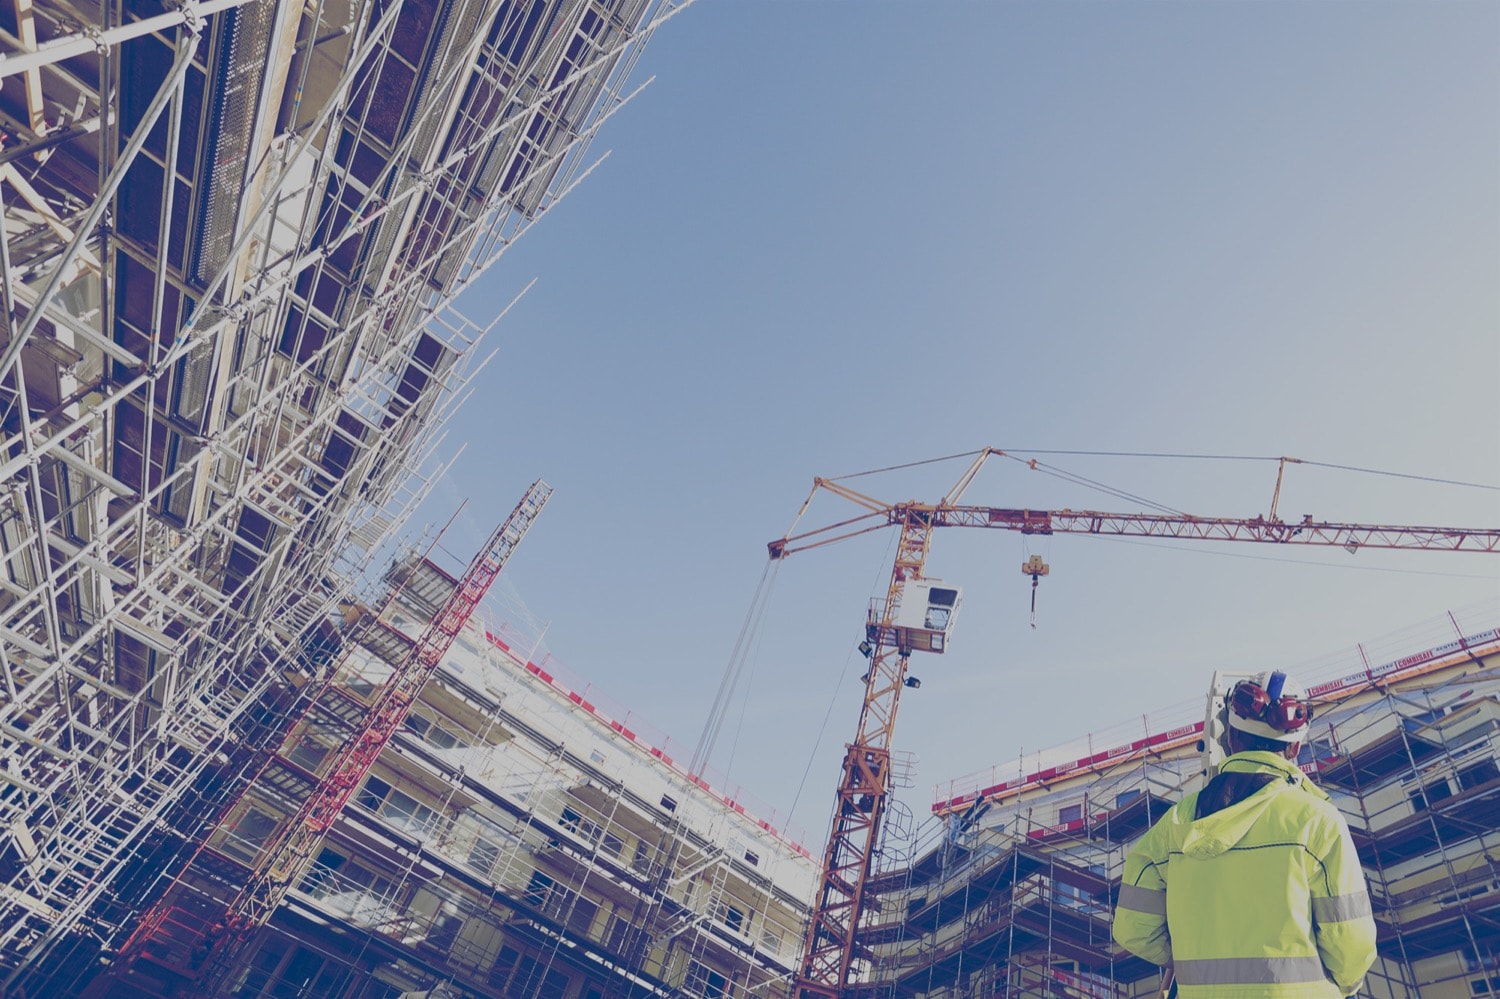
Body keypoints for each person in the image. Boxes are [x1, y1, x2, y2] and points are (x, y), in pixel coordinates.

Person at [1112, 670, 1377, 997]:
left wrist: (1194, 957)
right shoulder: (1317, 820)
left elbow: (1131, 928)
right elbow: (1353, 946)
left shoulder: (1176, 823)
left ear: (1230, 738)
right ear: (1295, 748)